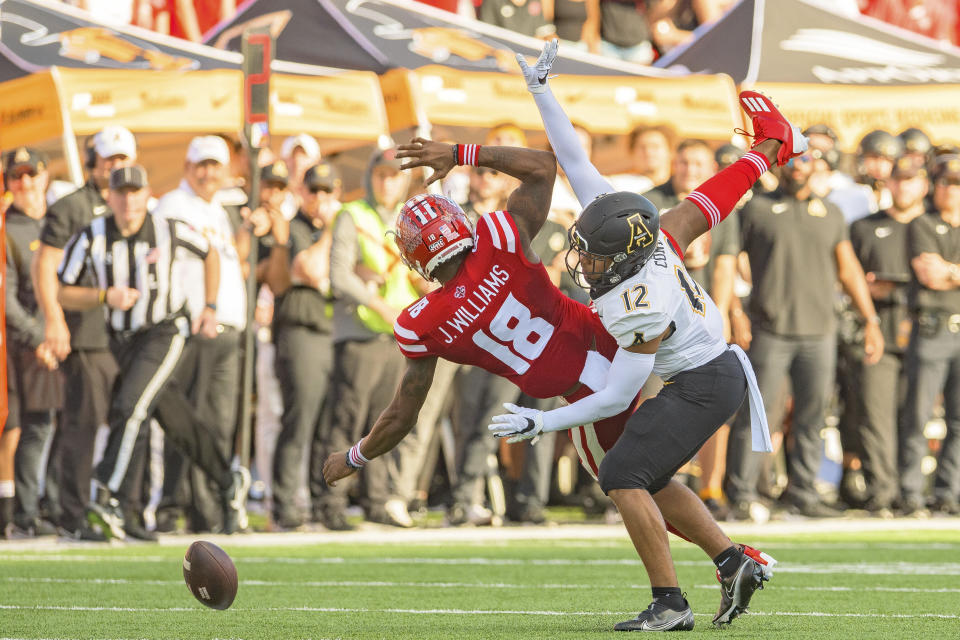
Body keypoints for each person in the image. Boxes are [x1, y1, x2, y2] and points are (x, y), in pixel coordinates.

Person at [485, 41, 806, 630]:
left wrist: (541, 422)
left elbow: (612, 396)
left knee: (622, 474)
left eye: (591, 255)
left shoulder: (639, 304)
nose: (582, 260)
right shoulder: (644, 234)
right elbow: (586, 161)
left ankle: (670, 603)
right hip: (709, 371)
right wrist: (540, 91)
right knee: (646, 471)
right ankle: (734, 561)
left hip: (706, 383)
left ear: (622, 258)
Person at [57, 166, 250, 541]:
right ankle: (229, 480)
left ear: (148, 194)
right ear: (109, 197)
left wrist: (209, 305)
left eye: (135, 192)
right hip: (122, 338)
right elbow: (63, 288)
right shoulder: (92, 235)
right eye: (121, 193)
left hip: (165, 330)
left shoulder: (168, 227)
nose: (128, 201)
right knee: (175, 421)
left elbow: (211, 254)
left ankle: (106, 496)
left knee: (130, 408)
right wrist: (103, 296)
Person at [726, 141, 884, 520]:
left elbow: (847, 270)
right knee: (757, 414)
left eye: (806, 159)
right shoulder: (756, 210)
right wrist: (734, 311)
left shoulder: (830, 212)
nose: (798, 166)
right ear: (779, 165)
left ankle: (804, 492)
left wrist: (870, 320)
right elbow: (728, 262)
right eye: (791, 160)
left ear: (817, 166)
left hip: (820, 331)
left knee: (812, 418)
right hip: (770, 329)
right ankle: (741, 495)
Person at [33, 126, 135, 540]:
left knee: (127, 422)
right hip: (86, 333)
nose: (116, 168)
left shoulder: (132, 207)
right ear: (93, 161)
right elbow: (45, 267)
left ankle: (115, 508)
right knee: (82, 425)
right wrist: (54, 320)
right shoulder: (73, 207)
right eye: (109, 160)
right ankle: (71, 514)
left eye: (123, 160)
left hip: (124, 336)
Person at [152, 135, 247, 532]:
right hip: (196, 323)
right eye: (201, 165)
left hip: (227, 325)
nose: (209, 173)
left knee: (218, 423)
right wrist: (201, 309)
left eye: (215, 165)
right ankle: (175, 507)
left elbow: (228, 261)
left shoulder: (219, 210)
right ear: (188, 167)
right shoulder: (176, 204)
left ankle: (211, 508)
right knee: (187, 421)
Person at [846, 155, 929, 516]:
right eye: (898, 179)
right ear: (887, 184)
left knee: (915, 418)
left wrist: (891, 287)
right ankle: (882, 492)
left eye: (912, 180)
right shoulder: (864, 227)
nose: (904, 186)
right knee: (875, 418)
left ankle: (911, 493)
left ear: (923, 185)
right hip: (878, 332)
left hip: (925, 335)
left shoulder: (934, 226)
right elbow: (850, 279)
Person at [262, 161, 339, 530]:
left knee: (327, 424)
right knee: (300, 419)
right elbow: (308, 268)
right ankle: (284, 504)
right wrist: (333, 231)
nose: (320, 198)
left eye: (327, 191)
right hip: (299, 329)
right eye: (314, 190)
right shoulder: (294, 228)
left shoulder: (331, 230)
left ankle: (323, 501)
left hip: (329, 331)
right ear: (302, 192)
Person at [3, 148, 62, 537]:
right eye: (16, 177)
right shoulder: (9, 229)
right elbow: (7, 297)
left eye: (30, 174)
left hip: (58, 342)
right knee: (25, 427)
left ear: (44, 177)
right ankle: (22, 512)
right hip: (21, 346)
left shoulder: (57, 224)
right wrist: (40, 336)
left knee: (51, 425)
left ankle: (47, 506)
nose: (24, 183)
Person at [900, 154, 960, 516]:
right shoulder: (922, 224)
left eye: (956, 184)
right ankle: (909, 491)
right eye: (945, 183)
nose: (950, 191)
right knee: (918, 415)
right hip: (932, 327)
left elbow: (943, 273)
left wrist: (950, 271)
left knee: (958, 419)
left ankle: (948, 491)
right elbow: (930, 276)